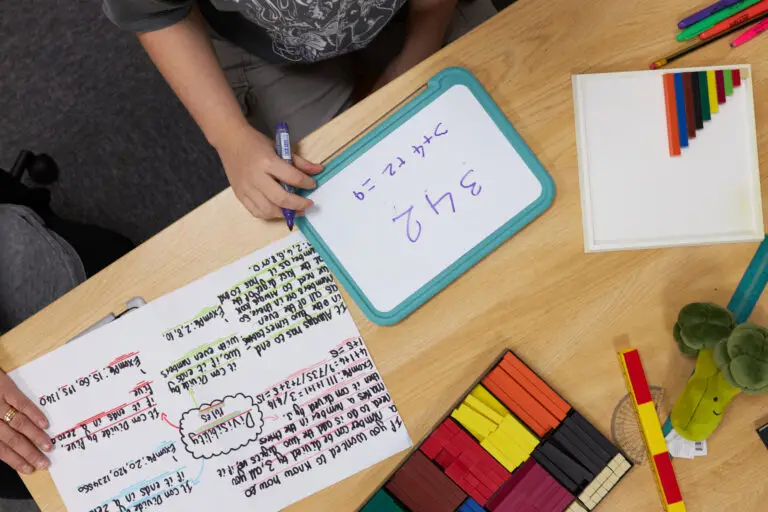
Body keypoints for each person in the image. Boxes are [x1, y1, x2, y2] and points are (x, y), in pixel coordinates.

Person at [102, 0, 494, 220]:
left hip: (403, 16)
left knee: (500, 125)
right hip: (257, 47)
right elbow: (153, 14)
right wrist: (230, 137)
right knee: (334, 207)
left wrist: (407, 66)